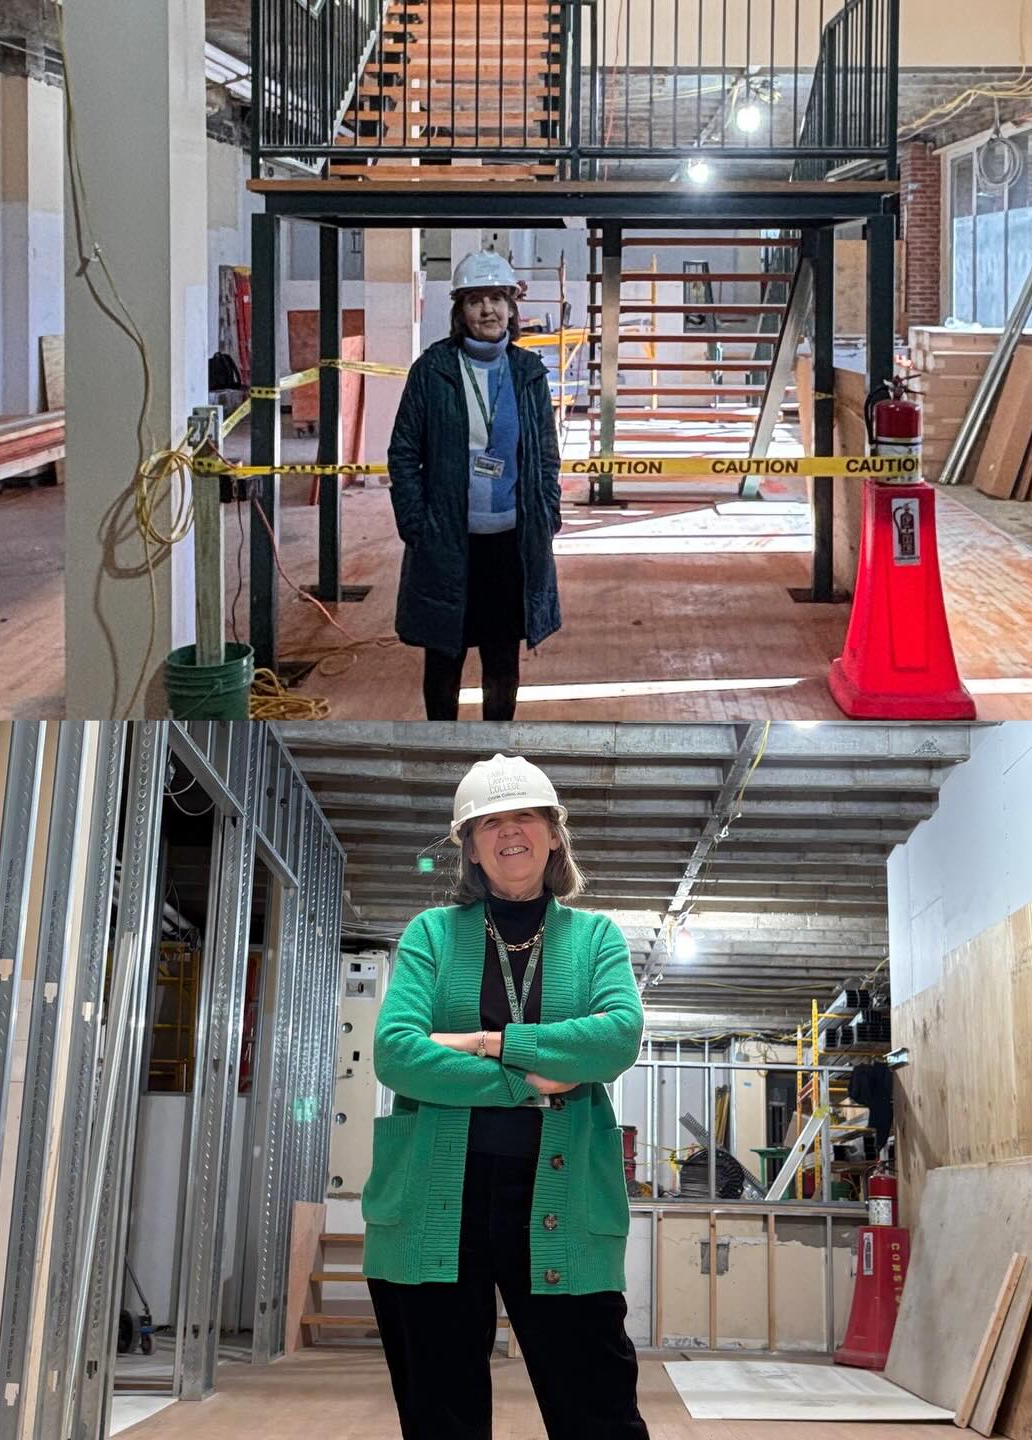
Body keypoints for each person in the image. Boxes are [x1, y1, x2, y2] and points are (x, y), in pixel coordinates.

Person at [363, 754, 649, 1440]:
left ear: (554, 834)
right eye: (487, 822)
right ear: (468, 846)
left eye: (525, 816)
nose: (508, 833)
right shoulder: (432, 934)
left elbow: (615, 1040)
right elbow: (398, 1053)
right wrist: (537, 1074)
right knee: (441, 1418)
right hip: (436, 1202)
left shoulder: (596, 937)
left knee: (598, 1413)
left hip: (565, 1202)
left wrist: (487, 1043)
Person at [387, 252, 563, 721]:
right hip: (448, 540)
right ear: (459, 311)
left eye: (498, 299)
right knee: (445, 656)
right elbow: (404, 452)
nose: (488, 311)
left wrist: (547, 515)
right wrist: (416, 525)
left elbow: (546, 454)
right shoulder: (433, 370)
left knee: (502, 660)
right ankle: (441, 748)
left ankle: (496, 750)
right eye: (475, 301)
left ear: (512, 307)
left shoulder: (528, 372)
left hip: (510, 543)